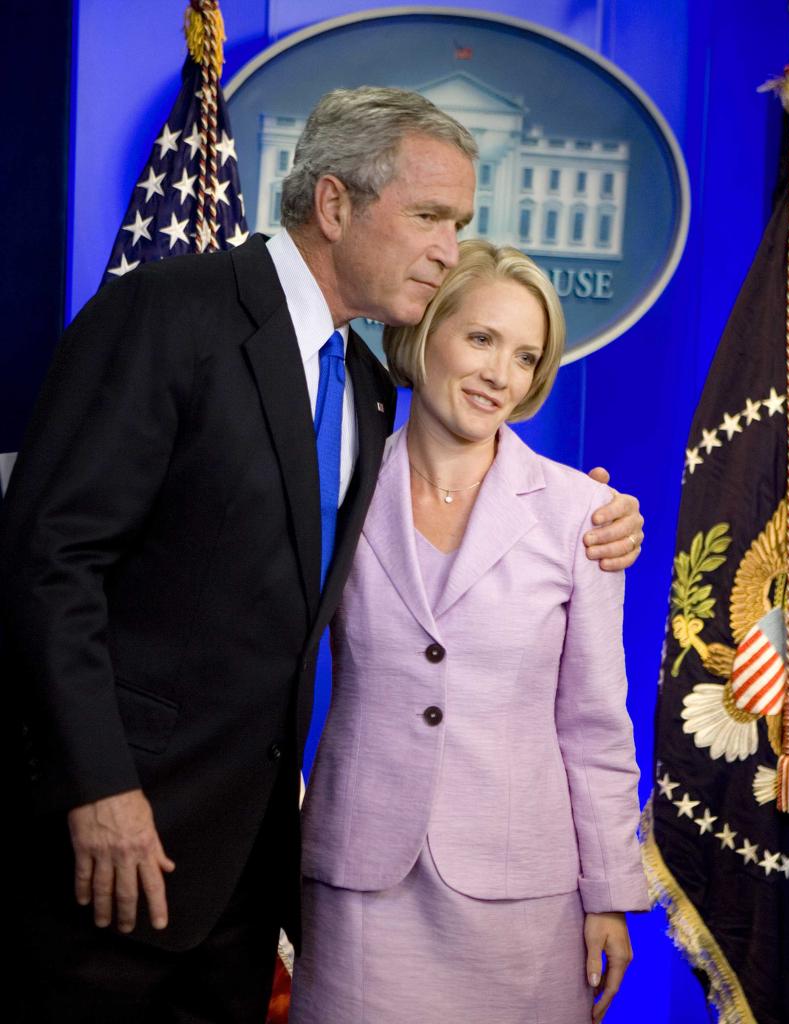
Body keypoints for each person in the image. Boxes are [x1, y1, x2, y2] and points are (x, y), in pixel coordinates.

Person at [1, 88, 643, 1023]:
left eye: (459, 223)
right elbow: (46, 559)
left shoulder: (372, 399)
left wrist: (587, 516)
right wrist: (98, 785)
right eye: (429, 216)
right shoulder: (168, 313)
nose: (447, 248)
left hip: (247, 882)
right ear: (335, 204)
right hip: (118, 853)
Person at [290, 239, 649, 1024]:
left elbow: (594, 726)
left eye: (525, 357)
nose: (499, 374)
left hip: (524, 900)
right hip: (359, 884)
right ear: (425, 333)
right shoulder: (338, 488)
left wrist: (611, 894)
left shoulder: (580, 515)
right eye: (482, 339)